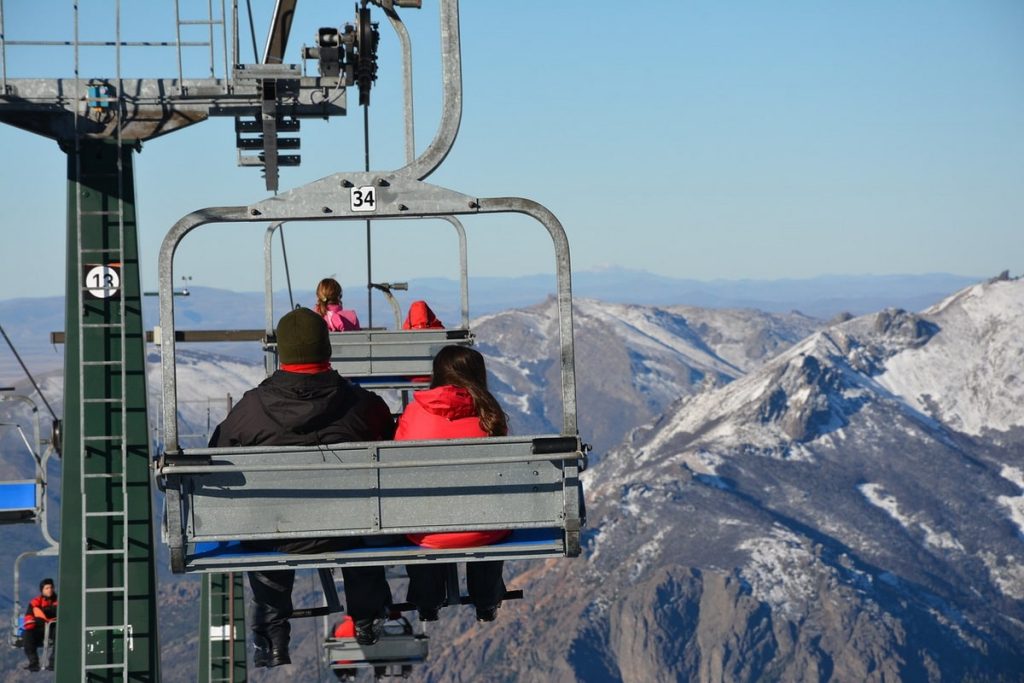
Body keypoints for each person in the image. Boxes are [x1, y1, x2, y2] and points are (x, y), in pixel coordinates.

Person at [209, 307, 395, 668]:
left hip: (279, 531)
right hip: (350, 528)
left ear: (283, 352)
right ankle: (367, 618)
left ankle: (271, 639)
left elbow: (218, 455)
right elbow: (390, 443)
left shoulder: (252, 409)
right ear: (326, 348)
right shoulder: (362, 404)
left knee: (265, 527)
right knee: (365, 522)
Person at [396, 346, 511, 623]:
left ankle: (427, 599)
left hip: (427, 532)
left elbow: (397, 469)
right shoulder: (491, 416)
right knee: (486, 520)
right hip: (482, 529)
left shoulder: (414, 413)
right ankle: (486, 598)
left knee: (424, 518)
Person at [23, 578, 57, 672]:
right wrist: (31, 624)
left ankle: (54, 662)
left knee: (59, 635)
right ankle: (33, 662)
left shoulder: (58, 601)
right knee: (28, 636)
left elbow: (59, 611)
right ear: (42, 590)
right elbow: (29, 615)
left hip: (53, 627)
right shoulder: (35, 602)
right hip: (40, 628)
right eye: (47, 588)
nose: (49, 590)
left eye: (51, 587)